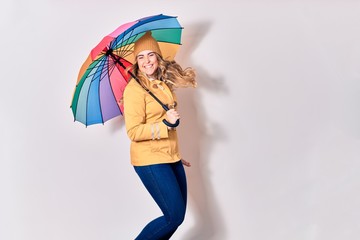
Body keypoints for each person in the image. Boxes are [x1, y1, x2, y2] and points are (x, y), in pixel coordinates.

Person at [123, 31, 196, 239]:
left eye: (150, 55)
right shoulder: (134, 90)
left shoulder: (162, 84)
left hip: (169, 156)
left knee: (177, 216)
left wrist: (174, 153)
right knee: (173, 216)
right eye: (141, 57)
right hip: (149, 160)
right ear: (136, 62)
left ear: (158, 56)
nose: (146, 61)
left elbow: (171, 124)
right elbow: (134, 131)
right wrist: (165, 123)